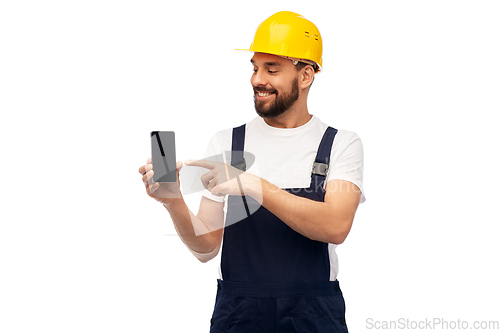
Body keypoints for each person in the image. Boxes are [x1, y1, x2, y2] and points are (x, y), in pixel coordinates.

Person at [139, 11, 365, 332]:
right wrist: (173, 201)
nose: (257, 79)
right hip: (239, 311)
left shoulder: (340, 144)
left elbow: (335, 226)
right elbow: (206, 248)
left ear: (306, 76)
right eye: (255, 68)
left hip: (313, 313)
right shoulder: (227, 142)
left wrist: (251, 184)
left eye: (272, 69)